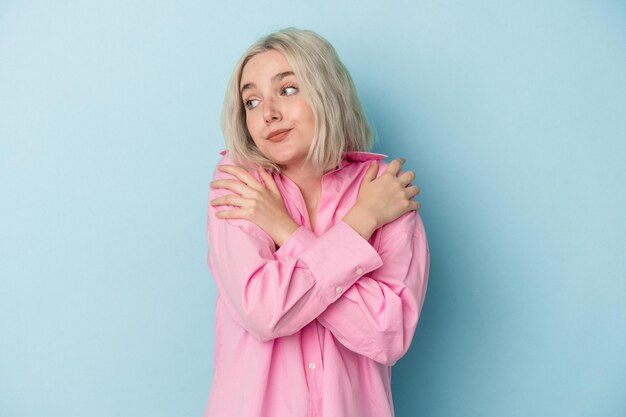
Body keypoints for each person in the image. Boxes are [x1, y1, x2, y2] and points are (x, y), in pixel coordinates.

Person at [205, 27, 429, 417]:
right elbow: (264, 312)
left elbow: (386, 333)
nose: (268, 112)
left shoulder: (385, 192)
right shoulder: (238, 185)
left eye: (287, 89)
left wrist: (286, 232)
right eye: (252, 101)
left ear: (327, 92)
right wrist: (362, 222)